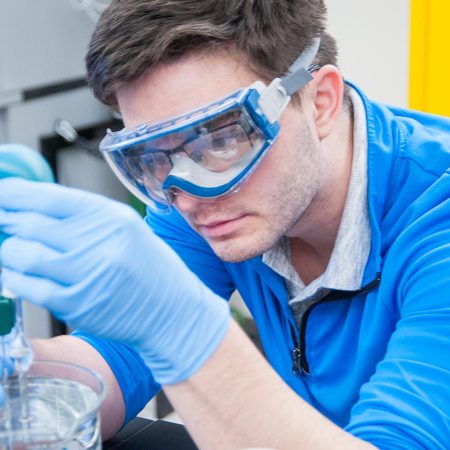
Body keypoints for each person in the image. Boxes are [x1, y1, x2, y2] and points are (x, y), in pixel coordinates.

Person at [1, 0, 450, 448]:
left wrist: (178, 327)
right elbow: (115, 362)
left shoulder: (436, 216)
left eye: (223, 137)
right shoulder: (208, 197)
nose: (191, 195)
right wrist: (13, 364)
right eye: (150, 156)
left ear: (320, 101)